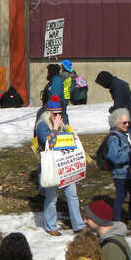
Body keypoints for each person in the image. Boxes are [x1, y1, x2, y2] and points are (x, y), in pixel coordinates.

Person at [35, 96, 85, 236]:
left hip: (65, 164)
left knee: (72, 195)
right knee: (52, 198)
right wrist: (56, 128)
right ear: (48, 113)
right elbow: (49, 142)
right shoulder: (42, 125)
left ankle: (78, 225)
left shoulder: (62, 125)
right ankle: (51, 226)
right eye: (55, 114)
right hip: (52, 166)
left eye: (60, 114)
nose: (58, 116)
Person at [105, 108, 131, 224]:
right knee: (121, 197)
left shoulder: (128, 135)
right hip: (120, 174)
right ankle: (116, 220)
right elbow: (114, 156)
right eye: (124, 123)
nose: (127, 125)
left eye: (128, 122)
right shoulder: (113, 138)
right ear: (116, 123)